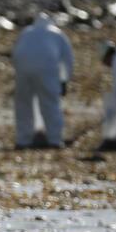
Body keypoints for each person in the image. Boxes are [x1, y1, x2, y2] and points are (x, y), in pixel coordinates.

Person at [11, 14, 74, 149]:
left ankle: (23, 140)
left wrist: (18, 72)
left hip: (23, 68)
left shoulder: (27, 31)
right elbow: (67, 60)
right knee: (50, 103)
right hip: (46, 68)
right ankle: (55, 140)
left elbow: (16, 52)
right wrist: (64, 80)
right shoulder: (57, 33)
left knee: (23, 104)